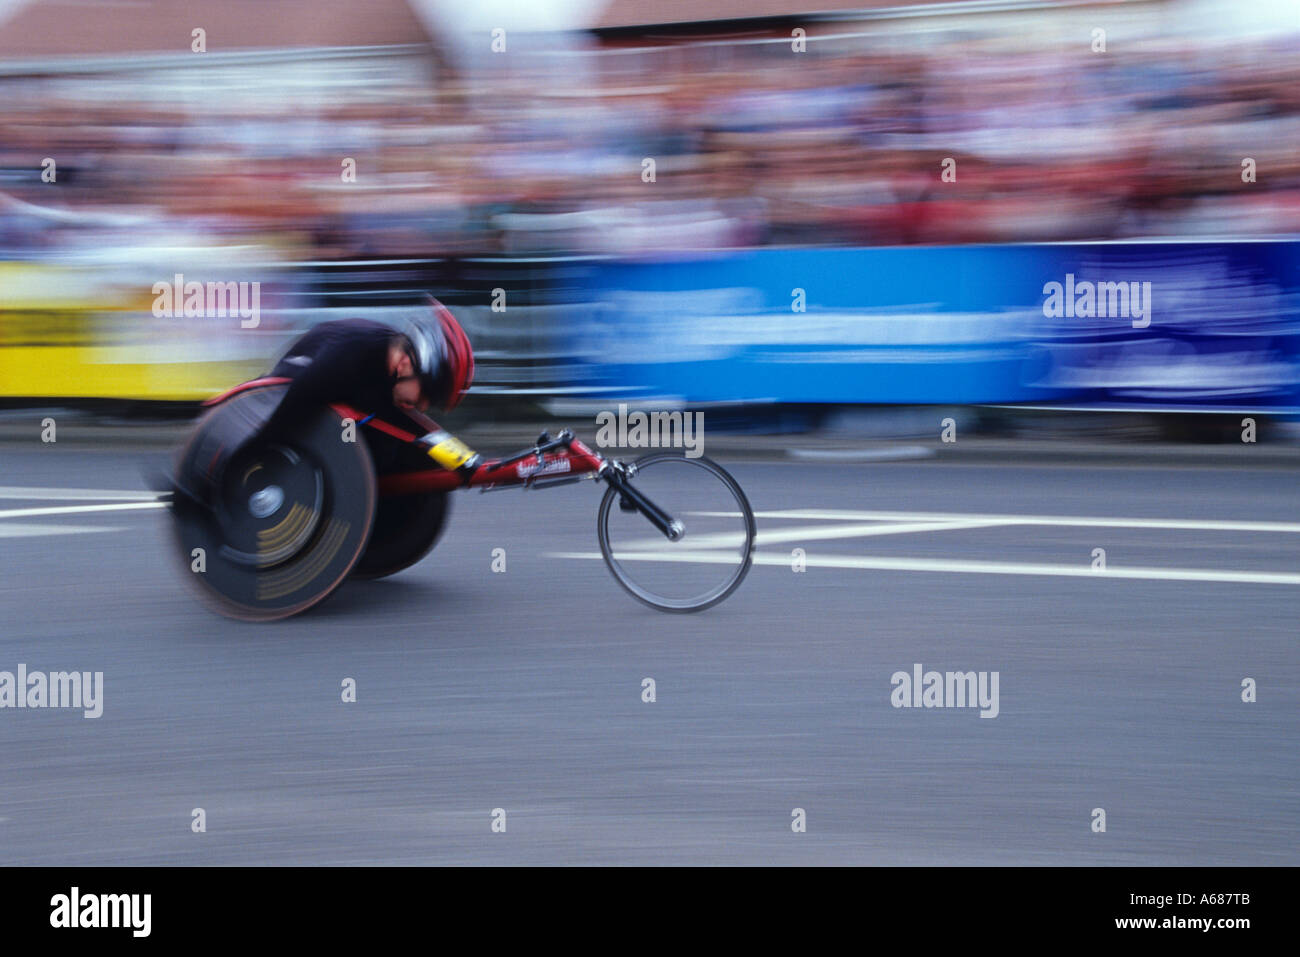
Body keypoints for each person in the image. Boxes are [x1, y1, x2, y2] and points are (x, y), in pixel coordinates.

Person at [174, 299, 479, 508]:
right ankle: (200, 488)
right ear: (404, 364)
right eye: (425, 396)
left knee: (392, 447)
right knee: (297, 425)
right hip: (292, 392)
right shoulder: (348, 357)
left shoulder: (389, 374)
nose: (423, 406)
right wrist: (235, 474)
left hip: (340, 399)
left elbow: (417, 431)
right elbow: (282, 418)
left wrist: (465, 460)